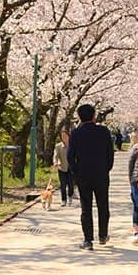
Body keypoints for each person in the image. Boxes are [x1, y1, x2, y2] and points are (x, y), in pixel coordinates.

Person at [67, 103, 114, 250]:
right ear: (94, 116)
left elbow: (70, 156)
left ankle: (88, 240)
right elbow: (110, 154)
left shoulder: (75, 134)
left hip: (83, 175)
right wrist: (106, 168)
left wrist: (76, 171)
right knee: (103, 205)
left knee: (86, 207)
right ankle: (103, 235)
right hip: (101, 174)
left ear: (79, 117)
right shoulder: (104, 131)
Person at [52, 128, 75, 207]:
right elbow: (55, 155)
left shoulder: (73, 145)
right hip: (62, 167)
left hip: (71, 168)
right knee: (63, 185)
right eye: (62, 136)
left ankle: (70, 197)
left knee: (71, 185)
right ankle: (63, 200)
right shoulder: (58, 146)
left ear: (68, 136)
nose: (64, 137)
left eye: (65, 136)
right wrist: (55, 162)